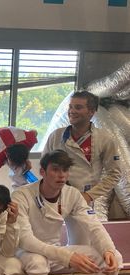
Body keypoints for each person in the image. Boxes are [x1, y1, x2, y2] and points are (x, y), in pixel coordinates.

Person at [12, 150, 123, 275]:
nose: (61, 175)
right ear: (42, 171)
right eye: (55, 170)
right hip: (25, 253)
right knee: (38, 263)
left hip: (54, 252)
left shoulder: (72, 195)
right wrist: (66, 256)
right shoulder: (22, 195)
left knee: (114, 258)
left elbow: (94, 225)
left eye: (65, 170)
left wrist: (107, 249)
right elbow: (25, 240)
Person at [43, 91, 121, 243]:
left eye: (78, 107)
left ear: (91, 112)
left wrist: (89, 196)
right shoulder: (56, 136)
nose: (72, 111)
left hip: (83, 200)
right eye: (70, 107)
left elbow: (114, 174)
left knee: (81, 243)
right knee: (47, 241)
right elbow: (45, 167)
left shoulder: (104, 139)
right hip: (54, 198)